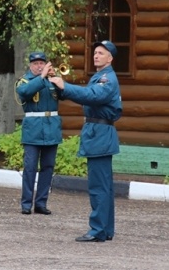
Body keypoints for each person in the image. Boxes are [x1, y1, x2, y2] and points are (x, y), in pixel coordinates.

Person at [49, 40, 122, 242]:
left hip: (100, 134)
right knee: (104, 186)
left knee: (99, 186)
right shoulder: (99, 77)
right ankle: (106, 230)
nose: (96, 55)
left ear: (110, 58)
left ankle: (97, 230)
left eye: (101, 53)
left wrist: (65, 86)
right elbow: (86, 95)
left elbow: (91, 95)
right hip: (99, 133)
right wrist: (59, 85)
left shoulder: (107, 79)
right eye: (95, 52)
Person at [15, 51, 62, 215]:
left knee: (48, 167)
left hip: (51, 129)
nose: (39, 66)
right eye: (36, 64)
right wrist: (41, 77)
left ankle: (41, 203)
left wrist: (58, 81)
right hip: (33, 131)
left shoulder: (51, 81)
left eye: (42, 63)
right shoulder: (24, 81)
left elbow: (64, 94)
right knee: (30, 167)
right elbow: (25, 92)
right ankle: (26, 204)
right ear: (30, 65)